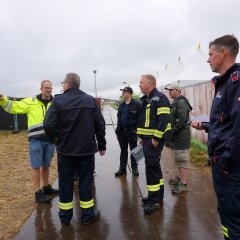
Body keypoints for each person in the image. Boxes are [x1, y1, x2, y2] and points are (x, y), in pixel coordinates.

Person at [191, 34, 240, 240]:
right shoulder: (226, 82)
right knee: (228, 214)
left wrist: (226, 163)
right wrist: (209, 128)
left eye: (210, 54)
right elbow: (227, 124)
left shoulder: (236, 81)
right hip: (225, 164)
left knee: (232, 217)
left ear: (223, 52)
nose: (207, 58)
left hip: (231, 168)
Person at [44, 72, 106, 226]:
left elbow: (48, 124)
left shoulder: (58, 101)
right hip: (86, 151)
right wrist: (102, 144)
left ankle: (65, 218)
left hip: (66, 151)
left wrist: (56, 139)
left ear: (68, 84)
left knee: (65, 183)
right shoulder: (90, 100)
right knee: (86, 182)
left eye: (63, 83)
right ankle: (87, 215)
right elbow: (100, 124)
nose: (62, 85)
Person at [0, 80, 58, 204]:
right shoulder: (31, 102)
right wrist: (3, 99)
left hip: (50, 140)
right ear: (41, 88)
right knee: (36, 166)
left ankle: (46, 187)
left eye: (50, 88)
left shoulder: (55, 103)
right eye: (46, 87)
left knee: (46, 165)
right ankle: (37, 193)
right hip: (36, 140)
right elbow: (14, 107)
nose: (48, 90)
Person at [137, 74, 171, 214]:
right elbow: (145, 120)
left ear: (149, 83)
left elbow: (163, 119)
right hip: (147, 139)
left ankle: (154, 200)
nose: (139, 85)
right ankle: (158, 196)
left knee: (151, 169)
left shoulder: (160, 98)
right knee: (153, 167)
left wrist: (156, 138)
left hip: (154, 140)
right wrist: (142, 137)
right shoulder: (147, 99)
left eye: (141, 82)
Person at [164, 83, 192, 193]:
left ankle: (183, 184)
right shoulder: (175, 103)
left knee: (182, 160)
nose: (169, 92)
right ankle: (179, 178)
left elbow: (181, 122)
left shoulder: (181, 103)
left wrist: (171, 134)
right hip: (176, 137)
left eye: (171, 90)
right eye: (169, 90)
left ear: (178, 90)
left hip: (181, 138)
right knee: (178, 159)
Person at [115, 86, 141, 177]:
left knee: (135, 150)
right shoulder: (121, 105)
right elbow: (119, 117)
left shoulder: (137, 104)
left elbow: (140, 119)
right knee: (123, 150)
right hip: (122, 132)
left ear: (129, 93)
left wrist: (137, 131)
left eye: (124, 92)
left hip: (132, 132)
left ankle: (135, 168)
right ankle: (122, 169)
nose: (122, 93)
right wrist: (118, 130)